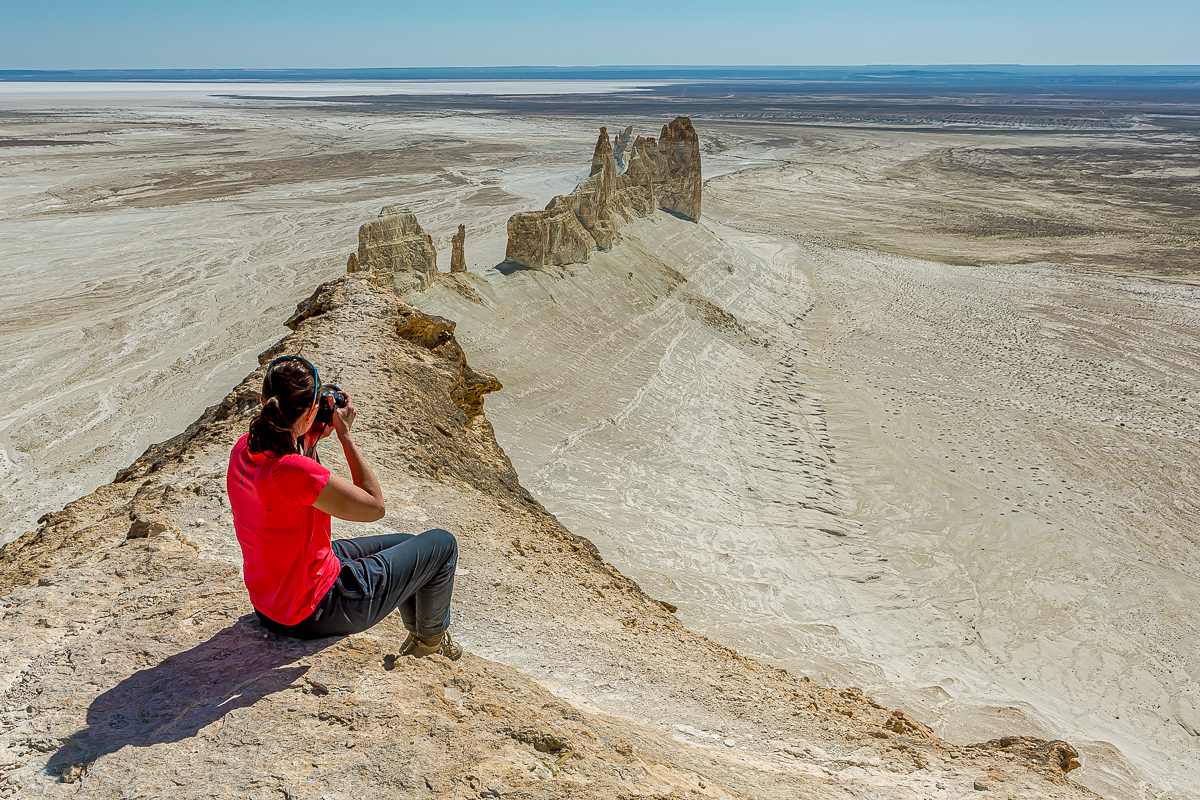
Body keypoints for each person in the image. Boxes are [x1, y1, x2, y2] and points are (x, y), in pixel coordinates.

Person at [225, 354, 461, 660]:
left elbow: (291, 488)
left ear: (263, 401)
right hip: (317, 610)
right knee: (442, 544)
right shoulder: (295, 471)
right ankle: (430, 644)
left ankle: (421, 634)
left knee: (409, 543)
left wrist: (309, 439)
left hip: (270, 603)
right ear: (311, 410)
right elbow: (374, 507)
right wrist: (345, 435)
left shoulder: (244, 448)